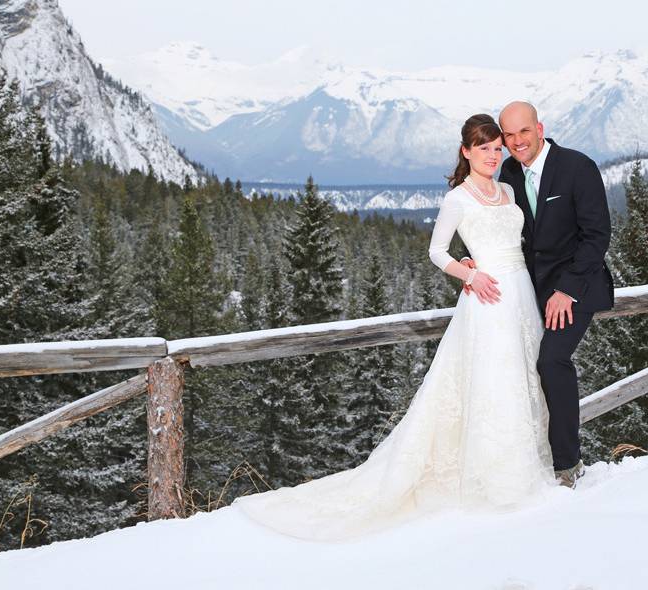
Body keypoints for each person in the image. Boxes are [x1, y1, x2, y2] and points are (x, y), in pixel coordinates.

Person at [232, 113, 560, 542]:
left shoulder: (509, 189)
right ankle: (500, 480)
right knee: (495, 385)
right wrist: (468, 273)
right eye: (484, 148)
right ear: (466, 151)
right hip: (488, 298)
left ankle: (532, 464)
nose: (493, 155)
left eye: (497, 148)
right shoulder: (457, 199)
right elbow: (436, 251)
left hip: (520, 293)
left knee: (525, 378)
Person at [459, 101, 614, 488]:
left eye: (522, 132)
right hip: (526, 292)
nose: (515, 142)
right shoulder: (507, 173)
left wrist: (567, 290)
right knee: (515, 366)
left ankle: (567, 464)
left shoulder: (578, 167)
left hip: (576, 288)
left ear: (539, 128)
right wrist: (472, 258)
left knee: (550, 361)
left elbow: (597, 237)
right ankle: (524, 458)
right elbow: (489, 219)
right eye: (508, 135)